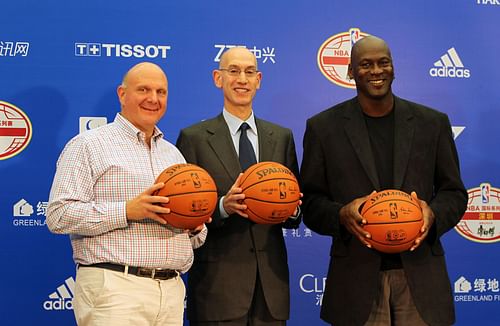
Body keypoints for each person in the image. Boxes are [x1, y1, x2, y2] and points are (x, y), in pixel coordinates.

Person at [301, 36, 467, 326]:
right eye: (365, 64)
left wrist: (433, 213)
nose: (376, 70)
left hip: (420, 276)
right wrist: (341, 214)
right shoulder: (323, 128)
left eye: (383, 62)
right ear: (351, 72)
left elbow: (454, 192)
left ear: (393, 68)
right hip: (356, 279)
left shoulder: (432, 123)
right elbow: (311, 203)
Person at [46, 62, 207, 326]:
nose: (153, 99)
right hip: (115, 288)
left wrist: (193, 225)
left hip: (171, 291)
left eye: (161, 92)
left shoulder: (173, 154)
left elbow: (195, 238)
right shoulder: (88, 144)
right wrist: (127, 211)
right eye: (143, 89)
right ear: (122, 94)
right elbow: (58, 215)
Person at [176, 47, 301, 326]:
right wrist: (222, 207)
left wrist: (291, 209)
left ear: (259, 79)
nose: (241, 79)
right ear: (218, 78)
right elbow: (184, 214)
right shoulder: (193, 138)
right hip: (217, 288)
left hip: (271, 290)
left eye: (248, 72)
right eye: (233, 71)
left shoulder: (281, 137)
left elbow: (295, 214)